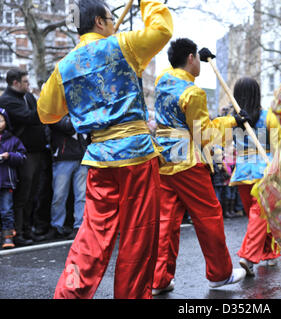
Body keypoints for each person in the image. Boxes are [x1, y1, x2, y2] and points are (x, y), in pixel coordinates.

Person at [36, 0, 173, 299]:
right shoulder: (122, 44)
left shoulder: (65, 65)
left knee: (92, 235)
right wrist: (149, 2)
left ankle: (69, 295)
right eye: (110, 19)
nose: (113, 23)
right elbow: (161, 30)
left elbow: (46, 113)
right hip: (136, 155)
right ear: (100, 22)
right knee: (138, 235)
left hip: (99, 158)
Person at [152, 38, 248, 295]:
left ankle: (159, 278)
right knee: (209, 217)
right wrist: (233, 122)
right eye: (197, 58)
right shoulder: (193, 92)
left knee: (166, 221)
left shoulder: (161, 80)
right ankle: (220, 273)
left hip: (162, 158)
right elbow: (204, 134)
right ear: (192, 58)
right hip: (186, 161)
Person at [228, 77, 281, 276]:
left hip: (242, 172)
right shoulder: (269, 117)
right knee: (259, 216)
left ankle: (269, 253)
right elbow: (277, 149)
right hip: (263, 172)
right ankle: (249, 256)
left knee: (259, 215)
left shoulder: (233, 121)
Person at [0, 68, 48, 246]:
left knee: (33, 193)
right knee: (23, 196)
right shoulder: (7, 100)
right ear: (15, 83)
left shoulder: (27, 96)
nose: (29, 85)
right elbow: (33, 117)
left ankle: (29, 230)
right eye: (26, 82)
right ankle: (18, 233)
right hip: (23, 153)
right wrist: (47, 100)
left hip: (37, 151)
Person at [46, 115, 89, 240]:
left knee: (81, 195)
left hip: (82, 157)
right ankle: (57, 225)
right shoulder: (55, 112)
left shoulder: (79, 111)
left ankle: (79, 226)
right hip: (63, 158)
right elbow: (68, 127)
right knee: (59, 195)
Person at [0, 109, 27, 249]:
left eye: (1, 120)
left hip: (6, 181)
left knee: (6, 210)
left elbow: (22, 156)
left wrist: (9, 156)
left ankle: (8, 237)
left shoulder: (13, 140)